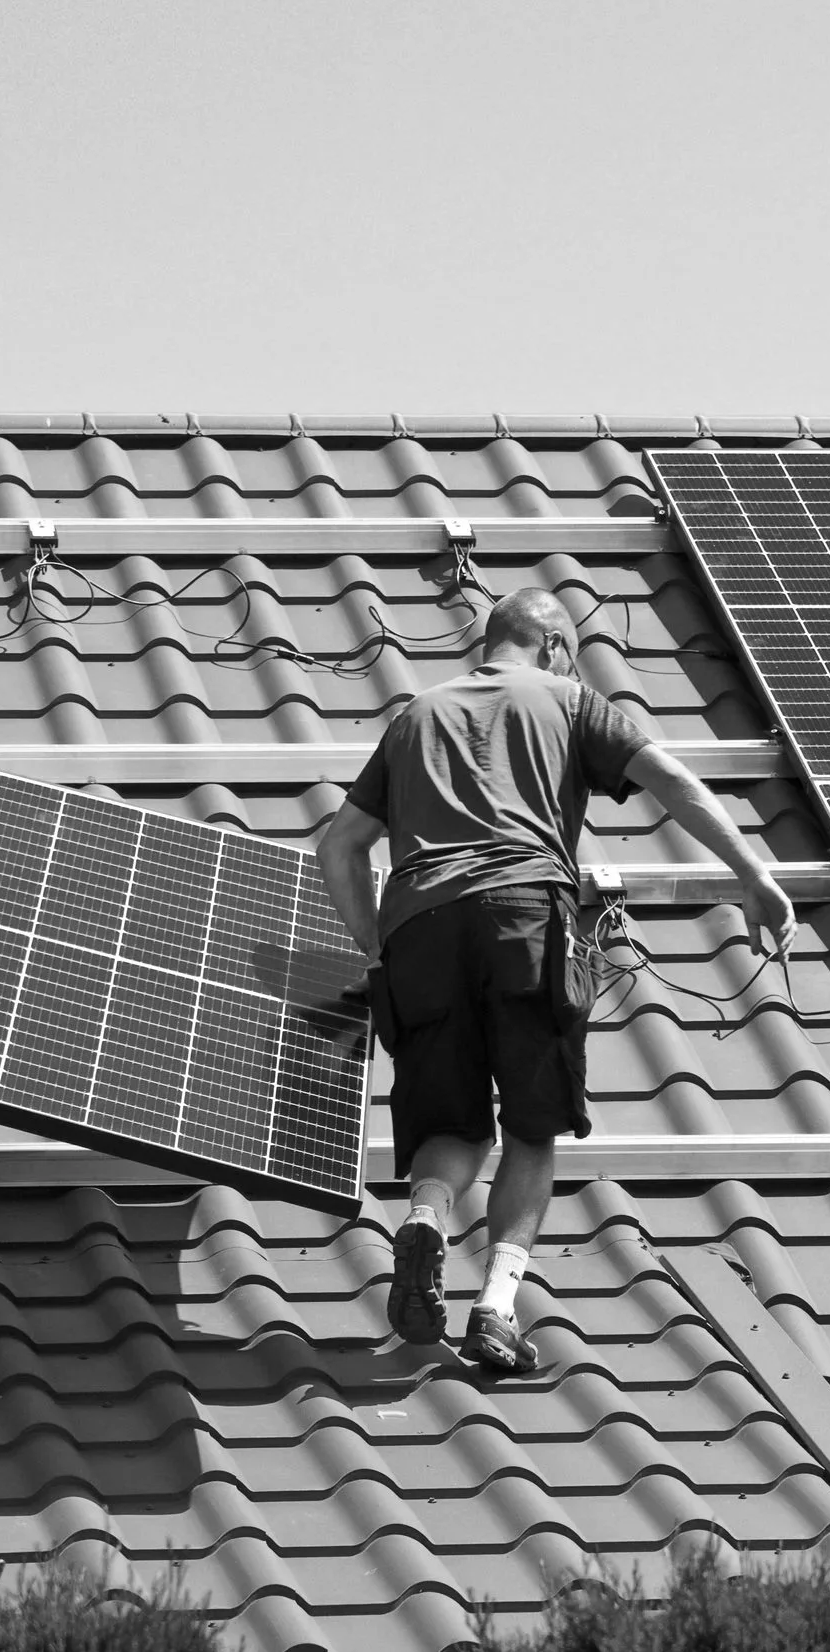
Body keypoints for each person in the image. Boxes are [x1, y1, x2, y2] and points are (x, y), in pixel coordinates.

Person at [316, 587, 795, 1374]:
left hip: (420, 929)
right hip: (523, 915)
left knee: (453, 1123)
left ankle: (429, 1218)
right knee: (532, 1125)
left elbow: (339, 850)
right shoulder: (569, 699)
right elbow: (669, 779)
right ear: (555, 646)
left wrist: (379, 949)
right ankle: (497, 1309)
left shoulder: (415, 717)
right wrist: (752, 873)